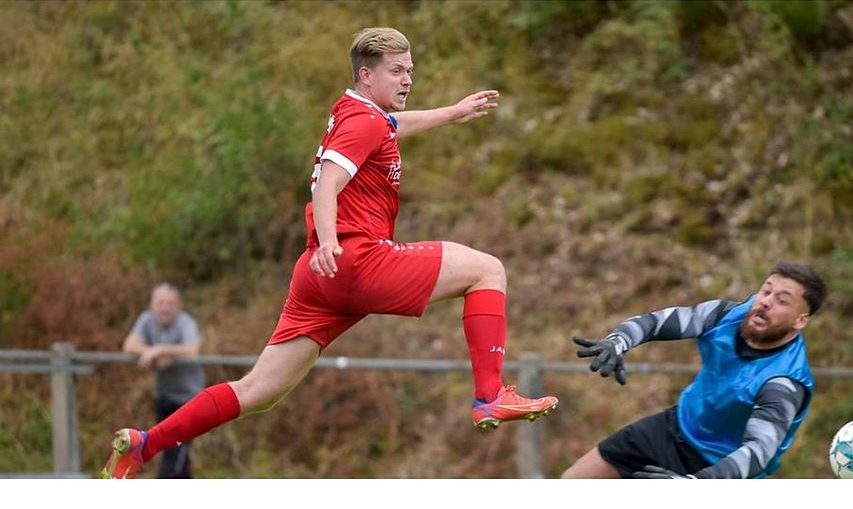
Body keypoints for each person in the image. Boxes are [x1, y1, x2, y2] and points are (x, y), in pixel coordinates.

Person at [100, 27, 558, 479]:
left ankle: (144, 445)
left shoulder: (354, 112)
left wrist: (452, 113)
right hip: (355, 260)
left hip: (318, 277)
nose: (407, 80)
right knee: (487, 271)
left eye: (410, 70)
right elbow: (326, 184)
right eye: (397, 71)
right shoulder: (363, 122)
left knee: (258, 391)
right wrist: (331, 241)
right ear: (366, 75)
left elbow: (396, 126)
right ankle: (490, 394)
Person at [562, 260, 827, 479]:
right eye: (766, 291)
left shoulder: (784, 382)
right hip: (674, 427)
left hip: (718, 468)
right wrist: (618, 341)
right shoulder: (727, 315)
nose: (766, 302)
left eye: (782, 300)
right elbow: (655, 322)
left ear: (800, 320)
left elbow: (758, 452)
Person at [122, 283, 205, 478]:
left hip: (189, 399)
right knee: (171, 453)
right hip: (164, 396)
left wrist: (161, 349)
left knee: (176, 455)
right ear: (152, 304)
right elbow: (129, 345)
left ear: (178, 305)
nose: (165, 308)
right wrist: (151, 352)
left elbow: (192, 350)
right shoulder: (146, 319)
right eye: (160, 303)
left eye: (170, 303)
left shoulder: (185, 322)